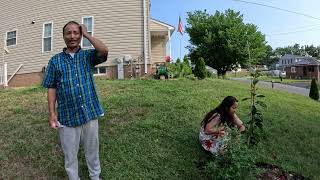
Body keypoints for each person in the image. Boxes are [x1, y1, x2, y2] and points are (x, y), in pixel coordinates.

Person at [42, 21, 108, 180]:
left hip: (89, 112)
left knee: (92, 150)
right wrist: (52, 113)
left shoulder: (88, 56)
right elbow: (51, 88)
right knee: (70, 155)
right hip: (66, 115)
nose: (72, 36)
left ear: (80, 35)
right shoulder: (55, 61)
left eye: (76, 33)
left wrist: (87, 34)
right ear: (63, 36)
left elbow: (104, 50)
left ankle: (95, 176)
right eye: (68, 33)